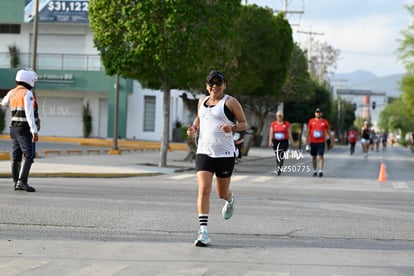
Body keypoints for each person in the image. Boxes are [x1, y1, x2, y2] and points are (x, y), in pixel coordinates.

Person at [187, 70, 248, 247]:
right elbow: (197, 121)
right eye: (211, 83)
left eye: (218, 83)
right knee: (204, 189)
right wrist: (193, 130)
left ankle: (230, 200)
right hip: (204, 152)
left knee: (221, 193)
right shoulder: (202, 101)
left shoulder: (230, 102)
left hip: (225, 154)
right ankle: (203, 231)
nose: (214, 86)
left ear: (224, 85)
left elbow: (244, 123)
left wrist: (232, 128)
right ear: (207, 86)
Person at [1, 69, 39, 192]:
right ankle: (22, 182)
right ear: (29, 80)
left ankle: (15, 182)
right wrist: (34, 131)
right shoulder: (27, 94)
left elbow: (4, 103)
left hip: (14, 128)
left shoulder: (12, 92)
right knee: (29, 155)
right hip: (24, 129)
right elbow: (29, 114)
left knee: (16, 155)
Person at [306, 108, 334, 177]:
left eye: (319, 112)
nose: (318, 113)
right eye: (316, 112)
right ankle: (315, 170)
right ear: (315, 113)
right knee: (314, 156)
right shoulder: (311, 121)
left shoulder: (324, 122)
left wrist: (332, 141)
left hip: (321, 141)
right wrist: (307, 141)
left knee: (321, 156)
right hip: (313, 141)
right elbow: (308, 132)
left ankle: (321, 170)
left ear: (321, 113)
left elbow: (329, 132)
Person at [268, 111, 294, 175]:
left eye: (280, 116)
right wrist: (270, 141)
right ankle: (278, 167)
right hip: (276, 141)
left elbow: (289, 134)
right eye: (278, 116)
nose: (279, 117)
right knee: (277, 155)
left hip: (284, 141)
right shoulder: (273, 124)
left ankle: (280, 167)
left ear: (282, 116)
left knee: (281, 154)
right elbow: (271, 133)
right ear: (276, 116)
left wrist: (292, 142)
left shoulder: (286, 124)